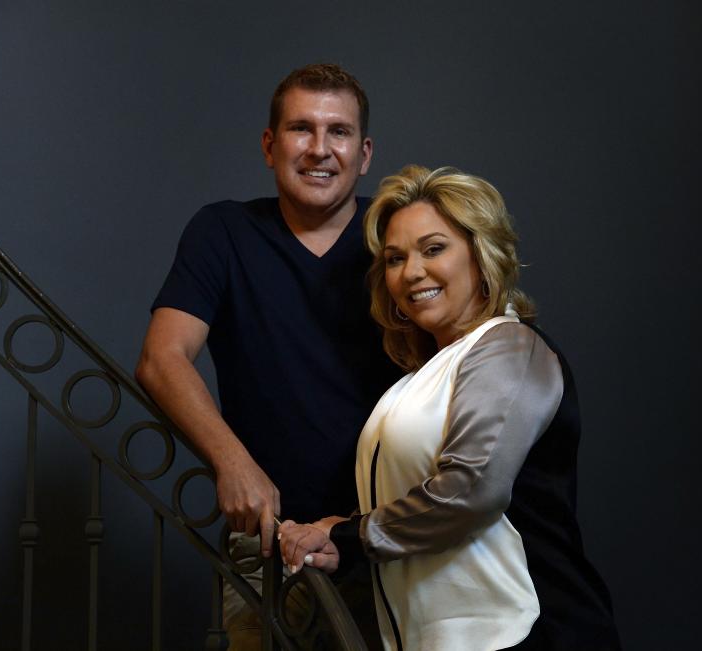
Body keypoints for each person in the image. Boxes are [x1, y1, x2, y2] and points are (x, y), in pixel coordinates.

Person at [278, 166, 621, 650]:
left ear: (481, 255)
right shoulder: (418, 382)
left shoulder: (507, 347)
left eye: (434, 248)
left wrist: (352, 537)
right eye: (395, 258)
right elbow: (410, 492)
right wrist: (338, 533)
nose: (411, 271)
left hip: (532, 633)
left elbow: (468, 490)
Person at [135, 64, 397, 648]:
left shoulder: (398, 236)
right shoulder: (223, 231)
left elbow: (465, 346)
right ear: (269, 145)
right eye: (302, 129)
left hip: (391, 534)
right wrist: (232, 460)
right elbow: (162, 357)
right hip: (274, 539)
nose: (320, 149)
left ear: (365, 152)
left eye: (340, 132)